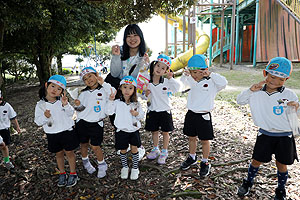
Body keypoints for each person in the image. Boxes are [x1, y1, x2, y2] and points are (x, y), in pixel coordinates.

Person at [236, 57, 299, 199]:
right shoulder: (256, 92)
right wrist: (250, 90)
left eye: (281, 79)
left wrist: (297, 107)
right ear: (265, 73)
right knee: (256, 160)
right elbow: (239, 101)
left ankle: (281, 189)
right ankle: (248, 182)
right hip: (265, 134)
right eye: (272, 77)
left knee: (282, 164)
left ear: (286, 80)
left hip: (285, 136)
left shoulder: (289, 94)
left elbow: (297, 117)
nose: (275, 81)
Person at [179, 54, 228, 177]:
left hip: (204, 115)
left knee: (205, 140)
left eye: (197, 72)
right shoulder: (190, 79)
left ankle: (205, 162)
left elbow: (224, 82)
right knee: (191, 137)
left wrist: (210, 74)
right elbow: (182, 85)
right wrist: (185, 75)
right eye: (192, 72)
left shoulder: (212, 82)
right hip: (191, 114)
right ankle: (192, 156)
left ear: (204, 70)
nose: (194, 75)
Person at [34, 75, 79, 187]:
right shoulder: (41, 105)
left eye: (59, 89)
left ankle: (73, 173)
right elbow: (38, 122)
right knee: (58, 154)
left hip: (67, 131)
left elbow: (71, 114)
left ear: (62, 92)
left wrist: (66, 104)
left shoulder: (62, 101)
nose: (55, 90)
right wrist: (45, 116)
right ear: (46, 85)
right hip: (52, 133)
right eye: (53, 86)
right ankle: (62, 173)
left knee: (69, 152)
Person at [74, 67, 115, 179]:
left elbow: (113, 93)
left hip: (96, 123)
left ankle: (102, 164)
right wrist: (77, 105)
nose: (89, 79)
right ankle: (85, 162)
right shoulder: (83, 93)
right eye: (85, 78)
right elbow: (80, 109)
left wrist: (104, 83)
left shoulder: (104, 90)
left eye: (90, 76)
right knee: (83, 144)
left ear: (96, 75)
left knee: (95, 145)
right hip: (82, 122)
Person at [144, 54, 180, 164]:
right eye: (158, 66)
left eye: (163, 68)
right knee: (154, 131)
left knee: (165, 132)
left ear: (166, 71)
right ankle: (155, 149)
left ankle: (164, 151)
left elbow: (177, 88)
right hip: (153, 111)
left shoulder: (167, 82)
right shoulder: (147, 82)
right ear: (154, 66)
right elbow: (142, 95)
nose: (159, 69)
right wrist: (145, 93)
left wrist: (171, 78)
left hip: (165, 111)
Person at [106, 76, 144, 180]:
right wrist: (110, 100)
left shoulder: (136, 103)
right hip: (121, 131)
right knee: (123, 149)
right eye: (125, 87)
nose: (127, 90)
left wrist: (136, 113)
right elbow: (109, 112)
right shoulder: (117, 102)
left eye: (130, 88)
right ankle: (125, 167)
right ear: (120, 88)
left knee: (134, 148)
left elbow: (141, 115)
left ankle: (135, 168)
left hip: (133, 130)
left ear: (134, 90)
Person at [108, 24, 149, 89]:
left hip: (131, 93)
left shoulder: (144, 57)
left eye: (135, 35)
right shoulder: (119, 51)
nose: (132, 39)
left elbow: (137, 78)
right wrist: (116, 56)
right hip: (116, 91)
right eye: (129, 36)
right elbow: (114, 74)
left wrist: (142, 66)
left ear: (140, 36)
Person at [0, 90, 21, 169]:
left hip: (4, 129)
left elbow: (13, 117)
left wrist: (17, 127)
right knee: (2, 144)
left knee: (4, 146)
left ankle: (6, 161)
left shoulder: (7, 106)